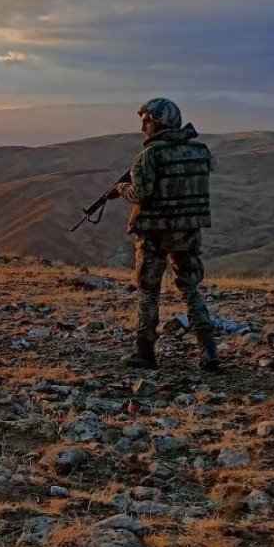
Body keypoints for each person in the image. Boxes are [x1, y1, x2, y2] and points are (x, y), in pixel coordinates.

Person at [108, 98, 220, 371]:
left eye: (147, 121)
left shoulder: (150, 155)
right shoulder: (200, 150)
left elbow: (141, 193)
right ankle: (209, 352)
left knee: (148, 291)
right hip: (187, 229)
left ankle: (144, 352)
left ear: (159, 123)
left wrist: (121, 189)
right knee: (190, 288)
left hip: (153, 232)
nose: (142, 127)